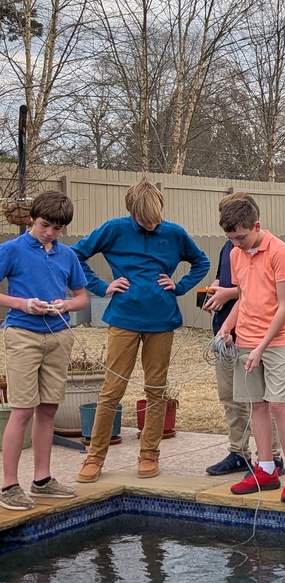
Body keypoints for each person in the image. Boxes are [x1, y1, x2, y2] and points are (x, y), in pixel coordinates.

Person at [73, 180, 210, 484]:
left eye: (155, 218)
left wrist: (181, 286)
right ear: (132, 212)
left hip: (162, 321)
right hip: (123, 319)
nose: (151, 223)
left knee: (156, 389)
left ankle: (149, 454)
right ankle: (94, 457)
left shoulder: (174, 232)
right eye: (145, 219)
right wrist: (101, 287)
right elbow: (76, 255)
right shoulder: (113, 229)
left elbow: (201, 261)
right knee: (111, 390)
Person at [0, 192, 89, 510]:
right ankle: (9, 485)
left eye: (57, 228)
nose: (49, 232)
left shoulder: (67, 256)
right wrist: (23, 303)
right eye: (44, 225)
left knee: (48, 409)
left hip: (59, 335)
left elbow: (82, 298)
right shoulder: (11, 250)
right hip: (22, 334)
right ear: (31, 220)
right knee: (22, 410)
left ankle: (42, 480)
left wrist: (65, 304)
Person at [217, 198, 285, 502]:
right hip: (246, 339)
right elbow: (244, 297)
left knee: (279, 404)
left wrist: (261, 347)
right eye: (230, 239)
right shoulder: (235, 254)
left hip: (279, 340)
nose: (236, 244)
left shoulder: (280, 253)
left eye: (240, 237)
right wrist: (227, 328)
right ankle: (265, 468)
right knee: (256, 404)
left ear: (256, 226)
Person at [202, 192, 282, 476]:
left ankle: (271, 456)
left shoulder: (266, 249)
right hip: (225, 330)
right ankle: (238, 452)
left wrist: (229, 294)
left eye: (237, 234)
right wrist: (216, 290)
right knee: (231, 397)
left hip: (253, 333)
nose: (234, 240)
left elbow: (256, 289)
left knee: (259, 399)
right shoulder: (231, 247)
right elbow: (229, 279)